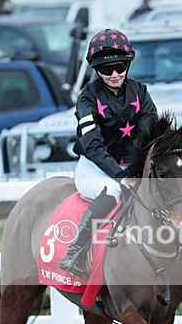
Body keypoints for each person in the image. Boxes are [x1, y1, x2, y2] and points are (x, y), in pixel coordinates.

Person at [59, 28, 158, 276]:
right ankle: (75, 251)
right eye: (106, 70)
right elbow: (92, 145)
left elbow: (149, 132)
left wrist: (138, 169)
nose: (114, 74)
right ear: (96, 70)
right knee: (114, 191)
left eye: (120, 67)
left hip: (131, 164)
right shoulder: (86, 98)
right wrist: (120, 175)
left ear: (128, 64)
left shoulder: (141, 92)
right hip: (95, 167)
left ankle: (176, 256)